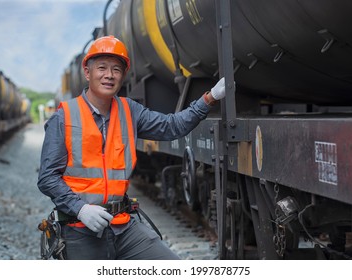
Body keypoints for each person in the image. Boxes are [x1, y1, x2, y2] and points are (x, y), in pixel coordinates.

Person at [37, 35, 226, 260]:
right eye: (102, 68)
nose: (109, 75)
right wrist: (80, 209)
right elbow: (47, 177)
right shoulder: (64, 116)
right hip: (80, 229)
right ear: (87, 73)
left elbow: (171, 127)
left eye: (116, 69)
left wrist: (210, 98)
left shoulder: (130, 111)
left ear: (123, 75)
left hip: (123, 227)